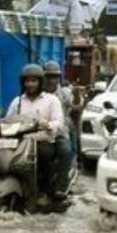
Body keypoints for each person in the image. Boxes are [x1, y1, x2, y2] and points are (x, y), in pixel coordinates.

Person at [4, 63, 64, 206]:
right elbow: (7, 120)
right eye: (27, 81)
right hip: (21, 142)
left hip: (42, 140)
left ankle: (46, 191)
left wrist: (47, 125)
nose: (29, 84)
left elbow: (59, 122)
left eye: (33, 81)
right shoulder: (17, 101)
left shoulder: (51, 100)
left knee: (44, 154)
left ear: (40, 82)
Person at [42, 60, 82, 200]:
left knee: (66, 152)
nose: (51, 80)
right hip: (38, 133)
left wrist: (76, 94)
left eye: (54, 77)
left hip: (59, 132)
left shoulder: (64, 93)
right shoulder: (36, 92)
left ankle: (60, 186)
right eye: (48, 77)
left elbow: (75, 105)